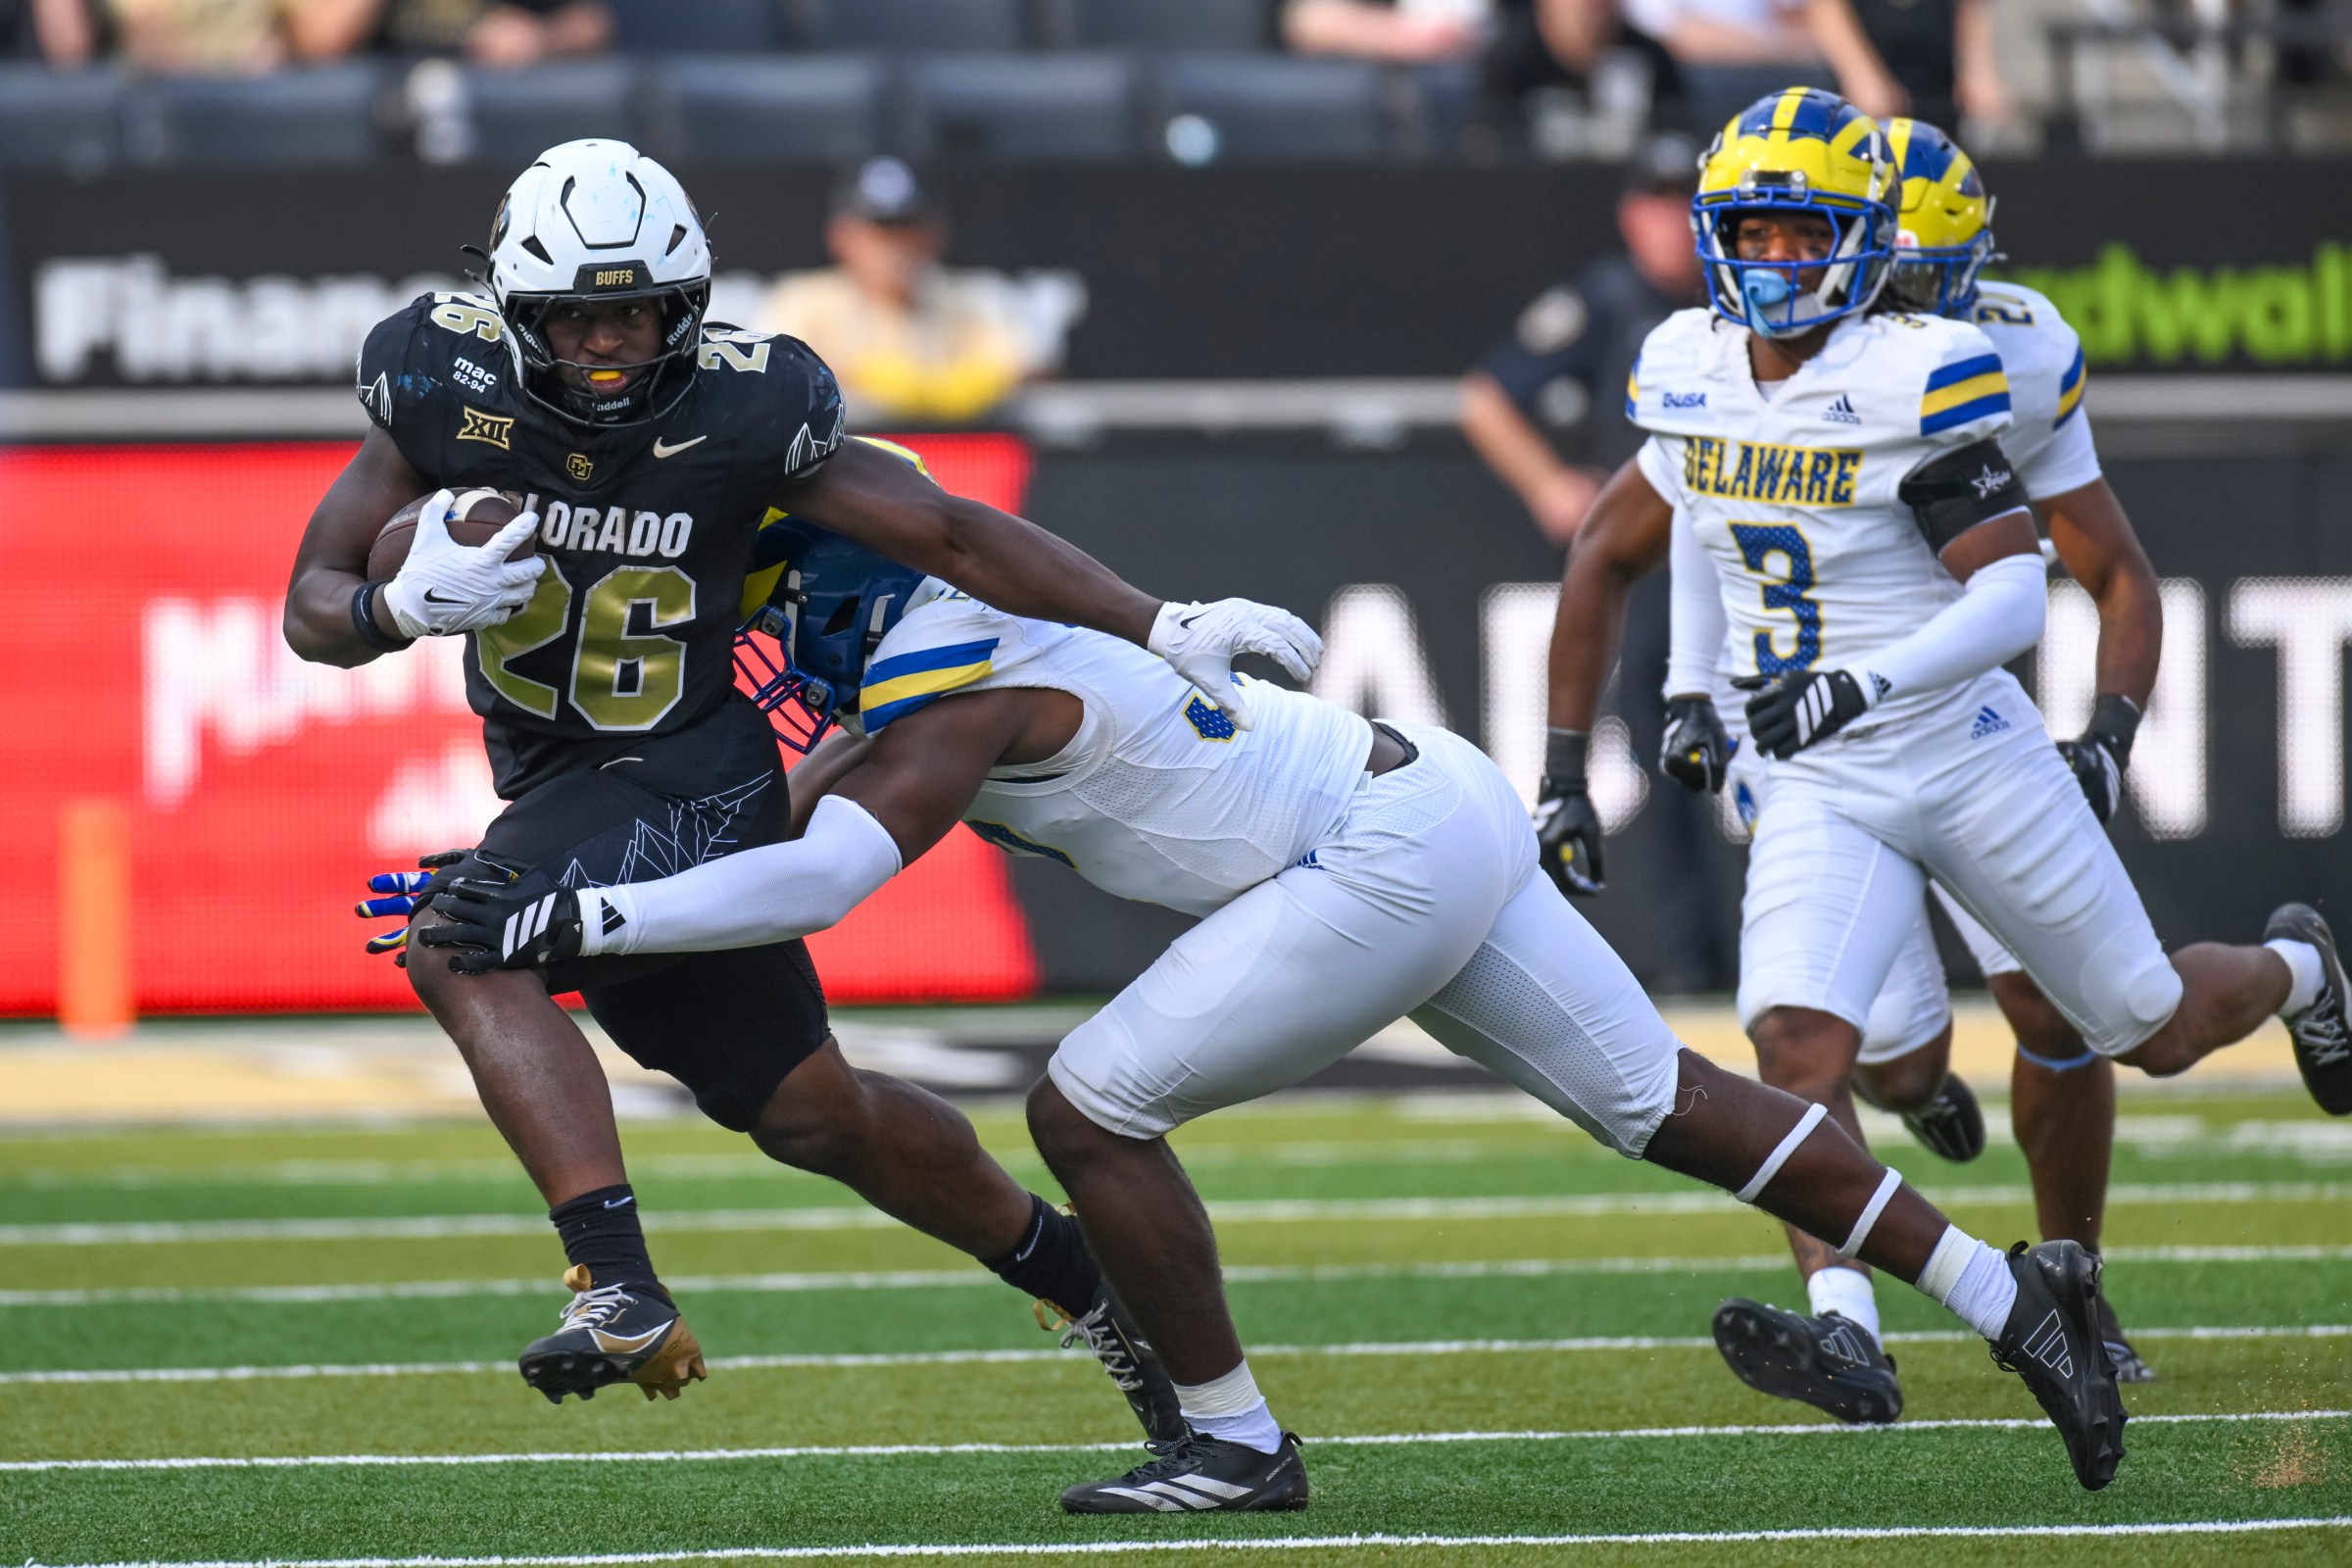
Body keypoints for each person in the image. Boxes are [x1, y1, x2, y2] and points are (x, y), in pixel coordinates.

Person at [423, 522, 2146, 1508]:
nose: (773, 653)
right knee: (1662, 1103)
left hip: (1372, 853)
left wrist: (579, 912)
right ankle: (2021, 1300)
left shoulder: (953, 695)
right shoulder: (958, 651)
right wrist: (613, 886)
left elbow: (812, 881)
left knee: (1090, 1111)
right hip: (1431, 802)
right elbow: (798, 815)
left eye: (785, 619)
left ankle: (1235, 1441)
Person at [283, 138, 1320, 1423]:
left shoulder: (747, 403)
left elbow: (948, 529)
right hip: (562, 773)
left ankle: (616, 1287)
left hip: (687, 775)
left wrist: (1156, 621)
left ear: (688, 302)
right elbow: (308, 611)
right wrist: (390, 604)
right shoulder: (441, 379)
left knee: (461, 942)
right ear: (514, 312)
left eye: (636, 313)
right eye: (577, 318)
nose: (608, 346)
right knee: (817, 1116)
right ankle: (1083, 1276)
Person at [1538, 87, 2349, 1424]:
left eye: (1811, 237)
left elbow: (2028, 588)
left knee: (2133, 1025)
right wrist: (1649, 712)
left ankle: (2299, 966)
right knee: (1801, 1039)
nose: (1782, 263)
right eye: (1757, 232)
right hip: (1813, 761)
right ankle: (1846, 1326)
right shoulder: (1690, 359)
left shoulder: (1938, 367)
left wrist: (1915, 687)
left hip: (1965, 748)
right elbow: (1679, 516)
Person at [1461, 129, 1728, 991]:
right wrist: (1549, 485)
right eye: (1659, 203)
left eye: (1689, 204)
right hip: (1653, 556)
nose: (1676, 224)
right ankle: (1691, 958)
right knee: (1668, 755)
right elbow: (1488, 395)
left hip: (1747, 551)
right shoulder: (1611, 300)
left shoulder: (1744, 302)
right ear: (1630, 214)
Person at [762, 158, 1061, 425]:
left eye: (907, 230)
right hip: (844, 466)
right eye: (879, 233)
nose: (895, 248)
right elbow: (775, 378)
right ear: (842, 237)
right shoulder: (802, 300)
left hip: (956, 462)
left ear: (934, 234)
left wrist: (956, 388)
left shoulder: (975, 296)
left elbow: (1033, 364)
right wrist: (873, 378)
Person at [1803, 0, 2006, 131]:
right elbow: (1824, 8)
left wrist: (1977, 69)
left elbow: (1971, 8)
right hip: (1871, 103)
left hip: (1939, 92)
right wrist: (1860, 76)